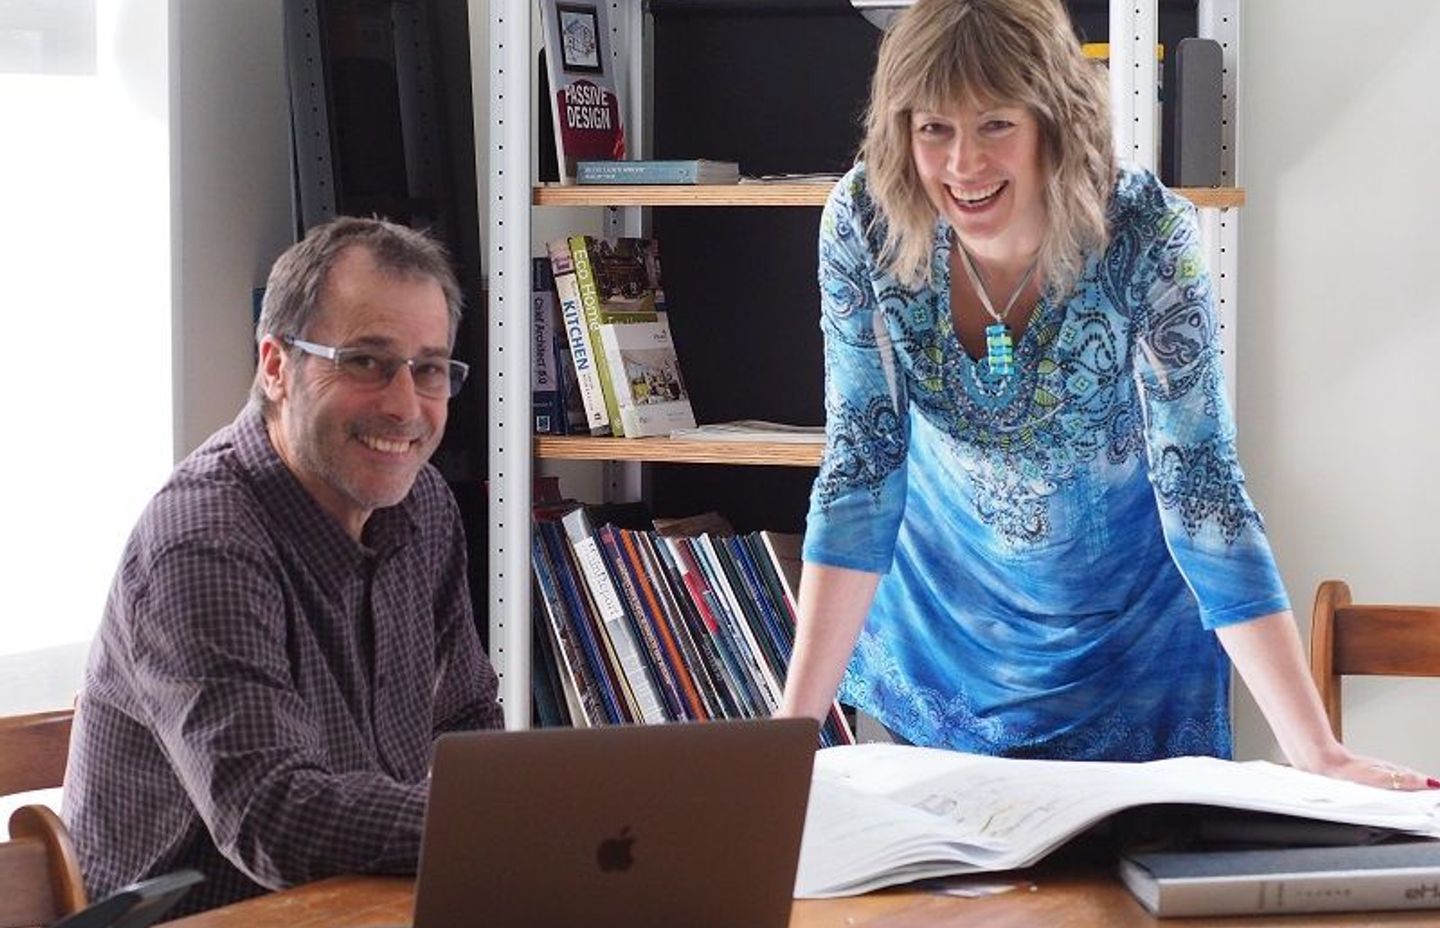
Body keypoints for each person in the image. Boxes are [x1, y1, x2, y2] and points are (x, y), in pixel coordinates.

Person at [780, 0, 1434, 790]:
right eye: (934, 130)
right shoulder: (865, 220)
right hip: (940, 639)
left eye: (995, 125)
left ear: (1054, 121)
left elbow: (1202, 490)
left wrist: (1317, 753)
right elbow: (860, 471)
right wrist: (789, 738)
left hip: (1131, 652)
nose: (962, 164)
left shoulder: (1146, 234)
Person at [63, 216, 504, 915]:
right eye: (365, 361)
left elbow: (467, 719)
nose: (405, 406)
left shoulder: (423, 505)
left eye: (428, 369)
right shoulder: (202, 543)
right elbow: (272, 814)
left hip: (359, 909)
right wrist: (498, 826)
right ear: (275, 367)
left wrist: (527, 813)